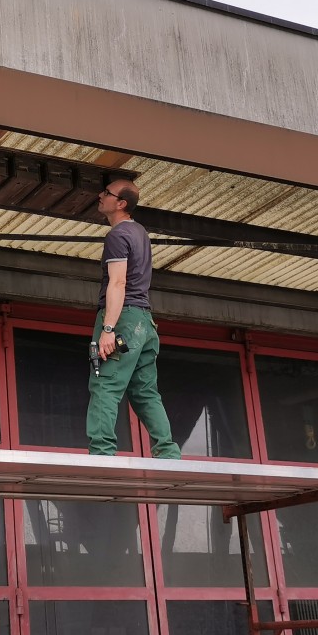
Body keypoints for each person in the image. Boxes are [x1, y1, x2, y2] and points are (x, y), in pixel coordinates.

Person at [86, 179, 181, 458]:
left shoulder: (117, 236)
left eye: (106, 193)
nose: (100, 196)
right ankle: (168, 453)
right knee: (145, 392)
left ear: (121, 203)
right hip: (145, 323)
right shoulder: (140, 232)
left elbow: (118, 283)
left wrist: (107, 329)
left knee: (105, 384)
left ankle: (102, 453)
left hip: (123, 319)